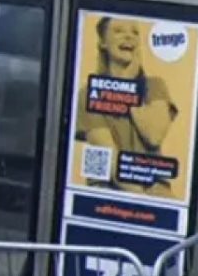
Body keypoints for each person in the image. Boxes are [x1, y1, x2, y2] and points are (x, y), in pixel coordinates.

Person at [74, 17, 177, 197]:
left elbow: (154, 136)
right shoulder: (90, 92)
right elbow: (109, 162)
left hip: (155, 187)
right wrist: (141, 200)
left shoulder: (155, 86)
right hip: (108, 191)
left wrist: (129, 85)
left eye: (135, 32)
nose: (129, 36)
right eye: (119, 31)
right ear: (103, 43)